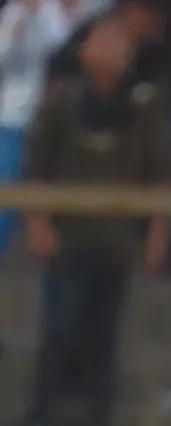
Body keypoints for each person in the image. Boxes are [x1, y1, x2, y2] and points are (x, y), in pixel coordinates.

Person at [20, 20, 169, 426]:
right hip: (68, 236)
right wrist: (38, 223)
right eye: (103, 41)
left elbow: (156, 174)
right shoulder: (62, 99)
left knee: (105, 336)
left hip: (116, 240)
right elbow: (35, 167)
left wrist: (155, 233)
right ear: (83, 50)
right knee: (59, 330)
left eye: (120, 42)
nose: (112, 49)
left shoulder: (142, 106)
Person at [0, 0, 71, 257]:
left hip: (45, 121)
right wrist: (19, 24)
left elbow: (62, 42)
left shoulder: (50, 11)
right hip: (10, 118)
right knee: (6, 193)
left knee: (31, 190)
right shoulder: (13, 13)